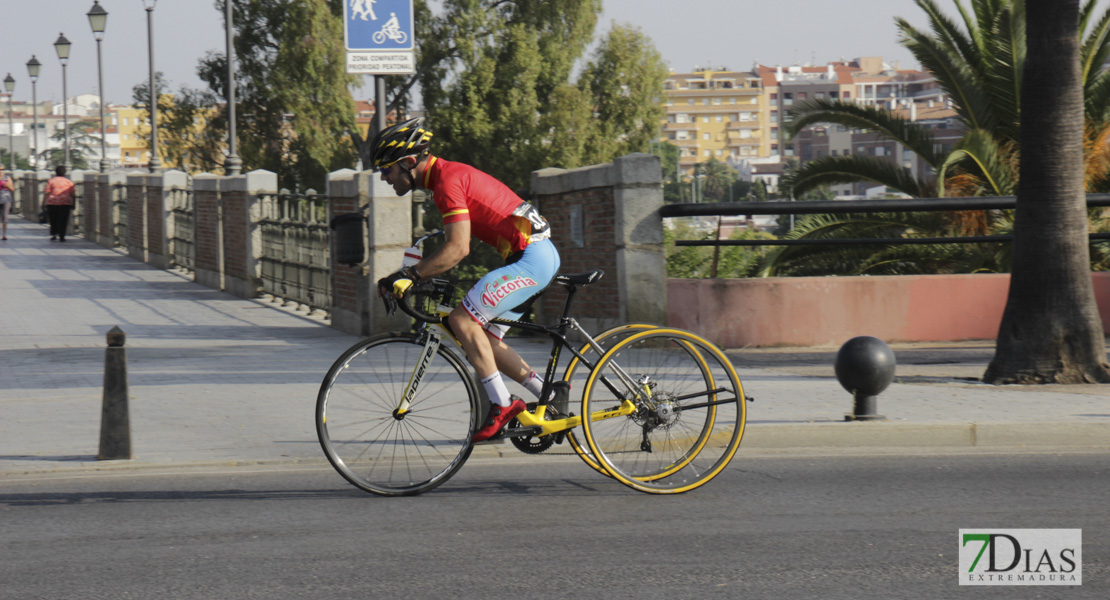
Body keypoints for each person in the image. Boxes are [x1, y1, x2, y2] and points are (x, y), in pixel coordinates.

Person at [372, 117, 561, 442]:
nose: (383, 177)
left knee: (462, 321)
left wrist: (410, 275)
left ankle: (502, 405)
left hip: (531, 259)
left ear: (408, 162)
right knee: (484, 341)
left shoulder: (447, 182)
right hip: (533, 257)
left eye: (386, 170)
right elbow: (458, 244)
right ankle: (550, 395)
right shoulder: (445, 177)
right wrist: (416, 273)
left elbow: (458, 248)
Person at [42, 166, 76, 242]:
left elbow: (46, 193)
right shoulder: (69, 182)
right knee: (63, 220)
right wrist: (74, 203)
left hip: (52, 203)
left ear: (55, 172)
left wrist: (43, 203)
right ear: (64, 173)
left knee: (53, 219)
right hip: (65, 203)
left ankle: (54, 234)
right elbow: (73, 194)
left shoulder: (51, 181)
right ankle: (62, 235)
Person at [0, 166, 13, 241]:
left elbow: (12, 189)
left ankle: (4, 234)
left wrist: (7, 185)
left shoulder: (7, 178)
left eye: (2, 169)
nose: (1, 171)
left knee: (5, 217)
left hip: (6, 200)